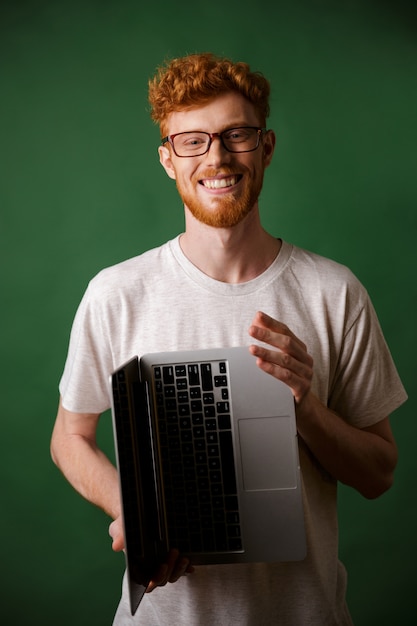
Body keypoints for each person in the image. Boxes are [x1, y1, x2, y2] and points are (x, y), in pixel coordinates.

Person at [51, 53, 407, 625]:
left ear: (265, 148)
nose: (216, 156)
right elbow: (69, 436)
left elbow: (379, 474)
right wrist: (134, 511)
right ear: (168, 160)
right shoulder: (116, 292)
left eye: (235, 135)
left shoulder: (334, 291)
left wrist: (306, 405)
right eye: (192, 140)